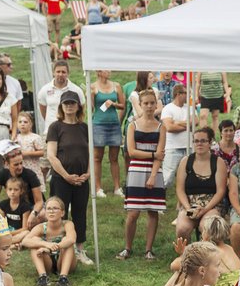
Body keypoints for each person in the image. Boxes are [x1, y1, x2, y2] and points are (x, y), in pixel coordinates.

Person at [46, 91, 93, 266]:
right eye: (66, 103)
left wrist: (87, 173)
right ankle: (58, 247)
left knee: (80, 212)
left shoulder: (84, 127)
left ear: (78, 106)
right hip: (61, 178)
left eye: (72, 103)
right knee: (58, 213)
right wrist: (66, 176)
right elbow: (51, 155)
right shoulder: (55, 127)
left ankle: (79, 248)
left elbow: (89, 153)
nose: (69, 106)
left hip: (81, 179)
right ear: (61, 106)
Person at [120, 89, 166, 261]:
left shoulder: (162, 127)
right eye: (145, 103)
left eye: (151, 103)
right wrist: (153, 155)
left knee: (153, 211)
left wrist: (153, 175)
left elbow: (161, 153)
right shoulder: (133, 125)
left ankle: (148, 250)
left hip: (154, 172)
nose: (148, 106)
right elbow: (131, 152)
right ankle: (127, 247)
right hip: (136, 171)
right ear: (140, 105)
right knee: (133, 213)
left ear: (156, 105)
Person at [175, 127, 228, 239]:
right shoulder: (186, 161)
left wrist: (205, 209)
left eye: (203, 141)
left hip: (212, 206)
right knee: (182, 229)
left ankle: (205, 255)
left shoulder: (218, 162)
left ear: (210, 143)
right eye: (196, 141)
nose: (199, 144)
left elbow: (221, 191)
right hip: (189, 206)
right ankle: (185, 255)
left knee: (206, 227)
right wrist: (188, 207)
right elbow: (179, 189)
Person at [25, 196, 77, 286]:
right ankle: (43, 277)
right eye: (48, 209)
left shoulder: (67, 224)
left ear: (62, 213)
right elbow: (25, 241)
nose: (51, 211)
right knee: (35, 241)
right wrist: (46, 244)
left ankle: (63, 278)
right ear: (45, 212)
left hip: (65, 260)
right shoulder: (41, 227)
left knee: (67, 241)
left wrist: (51, 248)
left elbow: (71, 239)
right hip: (47, 261)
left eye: (55, 208)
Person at [0, 149, 43, 225]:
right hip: (12, 205)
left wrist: (33, 213)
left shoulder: (30, 175)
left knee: (41, 215)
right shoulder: (2, 174)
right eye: (16, 164)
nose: (20, 167)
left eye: (21, 163)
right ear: (6, 163)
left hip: (31, 206)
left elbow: (39, 201)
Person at [89, 70, 125, 198]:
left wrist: (113, 104)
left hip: (114, 124)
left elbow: (123, 105)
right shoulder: (92, 86)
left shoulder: (117, 86)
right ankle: (98, 188)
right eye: (106, 69)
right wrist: (91, 96)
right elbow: (91, 108)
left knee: (114, 158)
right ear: (99, 71)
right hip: (98, 124)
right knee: (97, 157)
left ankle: (117, 187)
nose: (109, 71)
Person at [37, 61, 85, 134]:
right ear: (53, 73)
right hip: (50, 130)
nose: (60, 74)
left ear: (68, 73)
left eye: (63, 72)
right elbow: (43, 110)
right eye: (58, 72)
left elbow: (81, 109)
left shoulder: (76, 90)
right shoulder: (45, 90)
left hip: (70, 131)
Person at [160, 84, 191, 186]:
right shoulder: (168, 109)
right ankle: (159, 197)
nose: (188, 95)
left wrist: (177, 122)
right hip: (173, 148)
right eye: (186, 93)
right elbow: (169, 128)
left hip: (189, 147)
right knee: (167, 178)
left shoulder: (189, 108)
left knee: (189, 177)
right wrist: (187, 125)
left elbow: (195, 122)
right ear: (178, 94)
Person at [0, 180, 29, 247]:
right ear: (6, 190)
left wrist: (10, 233)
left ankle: (7, 243)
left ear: (21, 191)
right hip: (5, 232)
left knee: (27, 233)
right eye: (10, 189)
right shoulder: (3, 205)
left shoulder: (25, 206)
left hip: (18, 232)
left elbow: (25, 228)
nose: (12, 192)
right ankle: (13, 244)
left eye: (16, 190)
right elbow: (1, 224)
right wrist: (4, 232)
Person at [15, 112, 45, 181]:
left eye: (25, 122)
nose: (22, 124)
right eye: (20, 122)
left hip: (33, 167)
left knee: (34, 186)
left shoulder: (35, 137)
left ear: (31, 124)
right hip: (20, 168)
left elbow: (42, 152)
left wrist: (27, 153)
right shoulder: (15, 138)